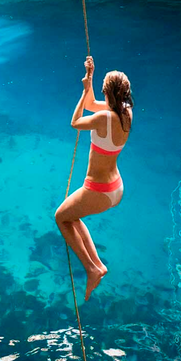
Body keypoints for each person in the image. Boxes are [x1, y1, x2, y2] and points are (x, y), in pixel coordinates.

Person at [55, 56, 133, 301]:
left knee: (61, 218)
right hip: (115, 188)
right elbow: (93, 104)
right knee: (72, 215)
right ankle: (97, 265)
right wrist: (89, 78)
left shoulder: (104, 118)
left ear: (108, 93)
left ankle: (91, 268)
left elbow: (76, 121)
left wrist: (84, 93)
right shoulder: (125, 112)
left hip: (98, 190)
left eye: (102, 91)